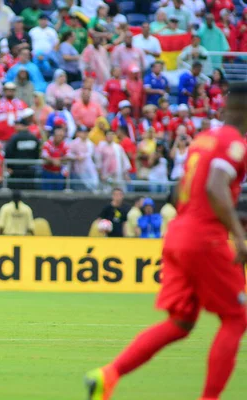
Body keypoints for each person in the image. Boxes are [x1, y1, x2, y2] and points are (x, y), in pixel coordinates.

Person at [85, 82, 247, 400]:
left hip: (178, 234)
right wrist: (239, 236)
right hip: (205, 238)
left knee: (182, 322)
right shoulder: (234, 143)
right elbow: (215, 187)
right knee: (236, 317)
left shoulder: (203, 139)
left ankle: (109, 374)